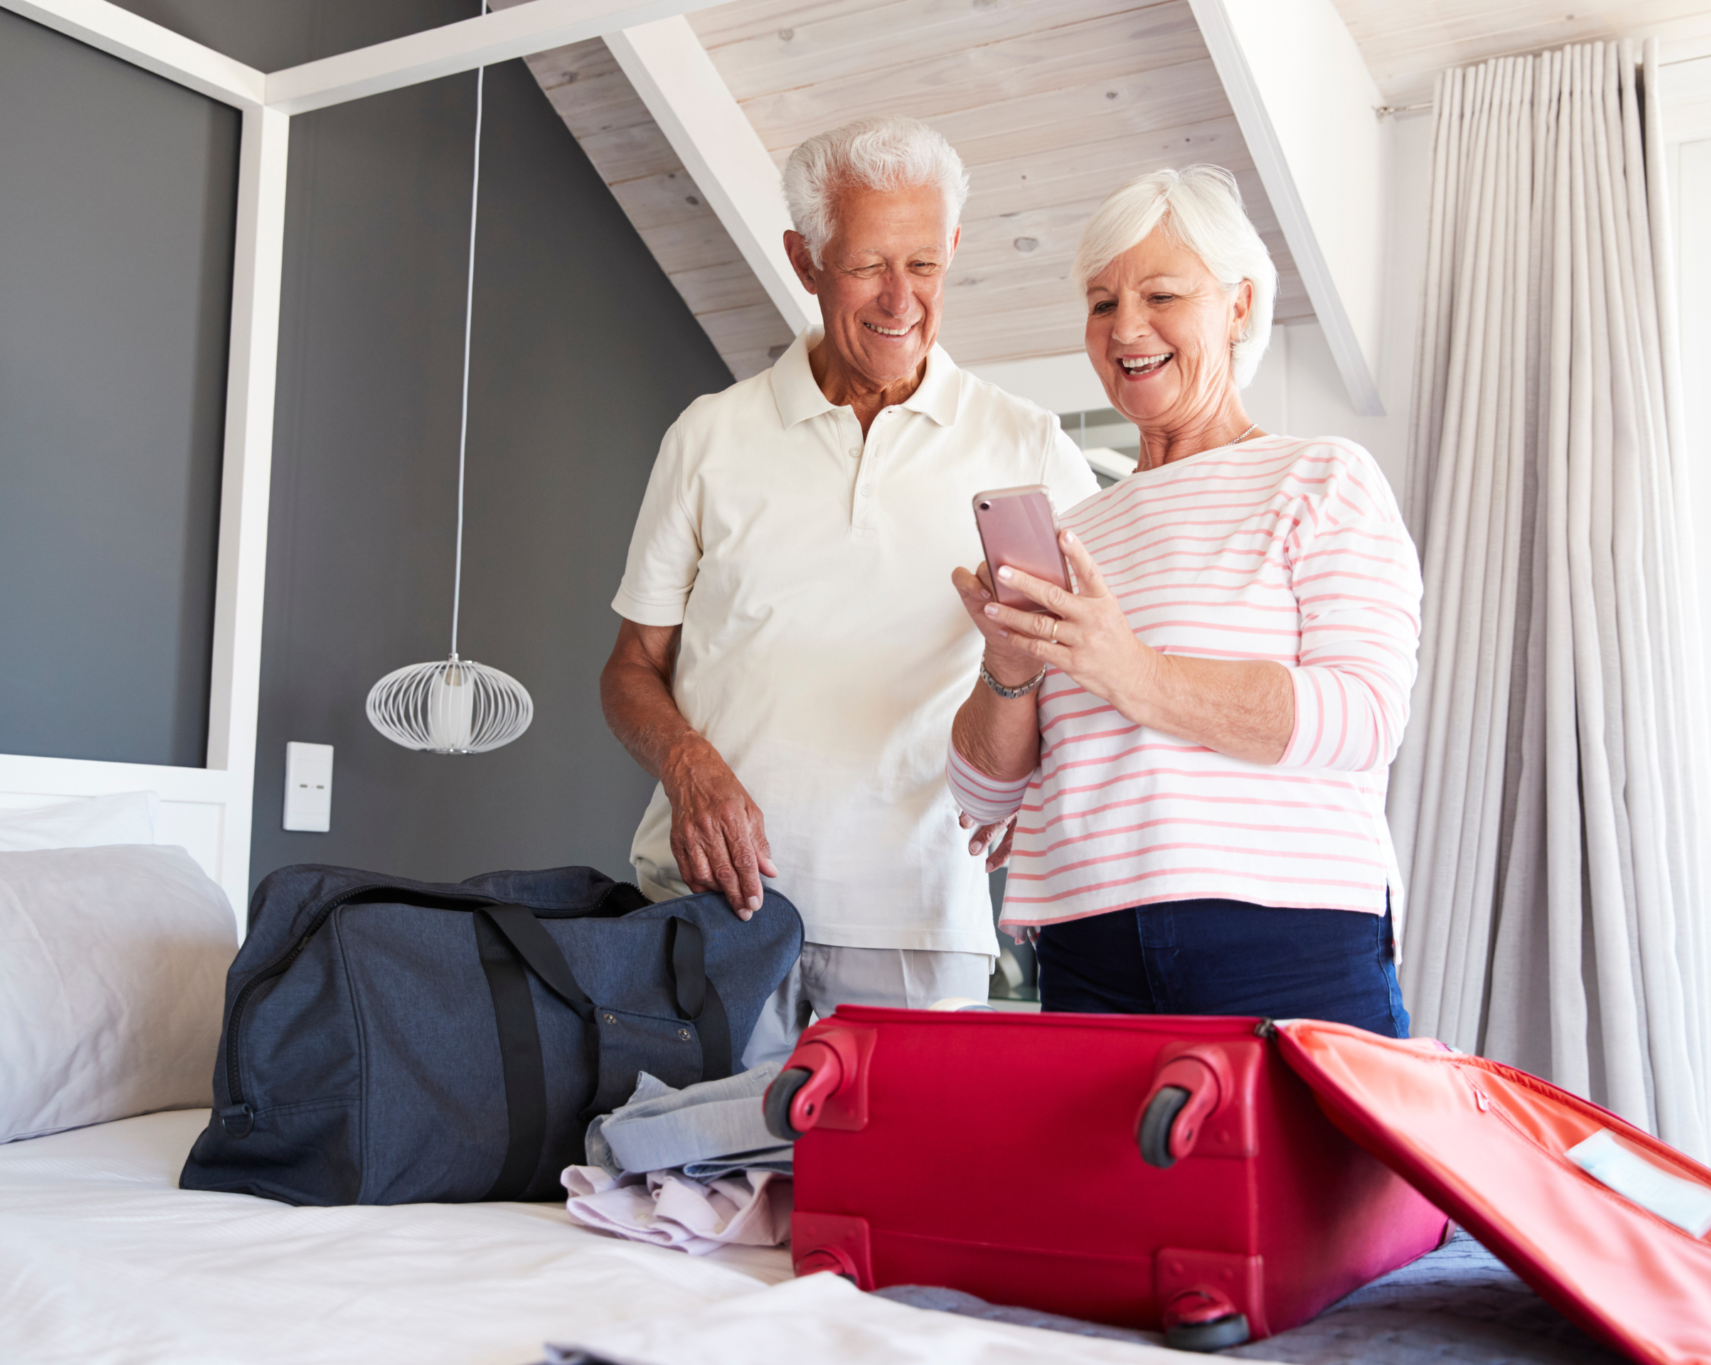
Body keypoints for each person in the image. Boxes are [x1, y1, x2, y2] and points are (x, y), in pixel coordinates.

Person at [600, 115, 1100, 1060]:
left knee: (894, 1207)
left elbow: (1102, 651)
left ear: (953, 248)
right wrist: (687, 764)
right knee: (674, 1200)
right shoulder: (707, 436)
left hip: (916, 927)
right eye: (869, 264)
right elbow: (630, 668)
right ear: (804, 258)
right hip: (707, 914)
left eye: (924, 263)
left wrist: (1041, 788)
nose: (900, 299)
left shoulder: (1027, 444)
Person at [944, 165, 1422, 1035]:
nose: (1127, 328)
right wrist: (1009, 667)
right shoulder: (1075, 529)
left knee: (1308, 1178)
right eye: (1101, 302)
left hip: (1287, 937)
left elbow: (1364, 716)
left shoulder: (1320, 478)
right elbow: (982, 797)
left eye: (1161, 293)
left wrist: (1133, 671)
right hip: (1086, 949)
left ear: (1239, 307)